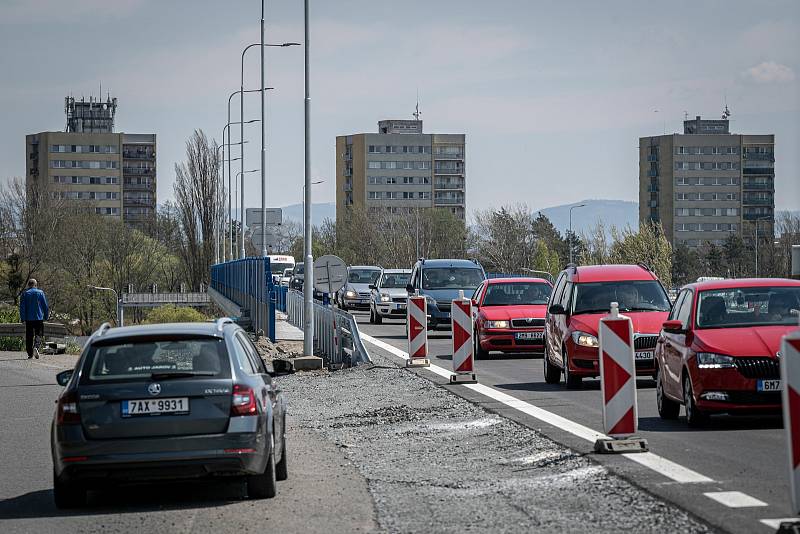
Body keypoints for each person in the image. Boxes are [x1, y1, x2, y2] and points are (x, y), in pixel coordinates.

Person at [19, 278, 49, 359]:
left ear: (28, 285)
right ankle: (36, 346)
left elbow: (22, 307)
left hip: (28, 319)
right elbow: (45, 306)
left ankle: (30, 354)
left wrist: (23, 318)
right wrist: (46, 316)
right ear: (35, 285)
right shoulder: (40, 292)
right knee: (39, 334)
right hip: (38, 318)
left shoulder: (25, 294)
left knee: (29, 335)